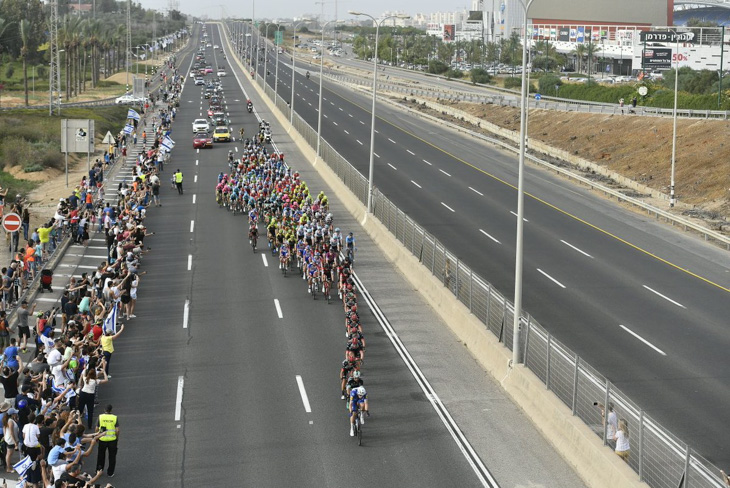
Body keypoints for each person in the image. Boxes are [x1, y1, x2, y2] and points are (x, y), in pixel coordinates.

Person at [96, 404, 119, 477]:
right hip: (112, 440)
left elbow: (97, 428)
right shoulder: (115, 418)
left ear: (104, 410)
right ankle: (110, 472)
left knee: (101, 456)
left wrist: (97, 437)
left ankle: (99, 470)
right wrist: (117, 437)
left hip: (102, 439)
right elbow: (117, 430)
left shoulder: (100, 417)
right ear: (111, 410)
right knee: (112, 457)